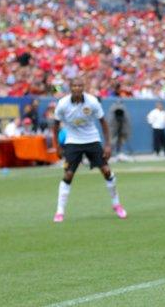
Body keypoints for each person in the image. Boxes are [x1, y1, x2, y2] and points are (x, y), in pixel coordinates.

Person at [52, 77, 127, 222]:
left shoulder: (92, 102)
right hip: (73, 141)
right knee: (68, 175)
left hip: (92, 140)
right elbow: (55, 127)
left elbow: (104, 124)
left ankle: (116, 204)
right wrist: (57, 147)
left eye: (80, 86)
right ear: (70, 87)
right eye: (74, 86)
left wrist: (107, 145)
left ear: (83, 87)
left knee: (106, 171)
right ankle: (60, 211)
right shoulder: (62, 104)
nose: (77, 88)